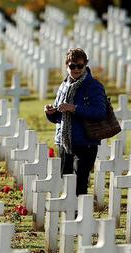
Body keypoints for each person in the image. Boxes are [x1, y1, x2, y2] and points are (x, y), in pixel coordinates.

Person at [44, 48, 108, 196]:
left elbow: (100, 113)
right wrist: (50, 113)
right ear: (67, 65)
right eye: (72, 66)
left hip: (85, 143)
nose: (76, 69)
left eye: (80, 65)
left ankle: (79, 217)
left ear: (85, 64)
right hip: (64, 143)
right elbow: (57, 118)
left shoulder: (94, 86)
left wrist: (74, 108)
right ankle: (69, 217)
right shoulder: (63, 86)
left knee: (80, 187)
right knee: (66, 185)